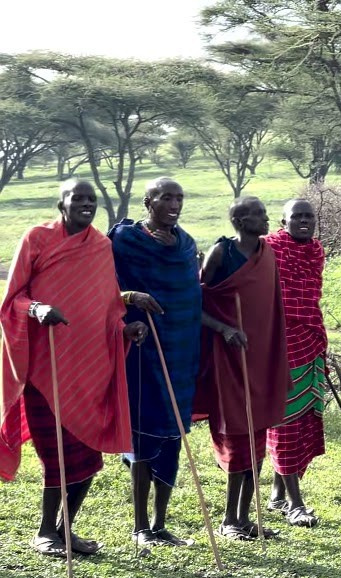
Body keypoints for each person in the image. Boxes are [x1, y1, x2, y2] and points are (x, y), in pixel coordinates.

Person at [0, 180, 153, 556]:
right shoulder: (36, 238)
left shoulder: (101, 246)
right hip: (45, 367)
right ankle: (44, 532)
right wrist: (37, 309)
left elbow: (106, 306)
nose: (86, 204)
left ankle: (65, 530)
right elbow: (13, 298)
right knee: (57, 456)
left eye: (91, 199)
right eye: (78, 198)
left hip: (89, 370)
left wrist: (125, 329)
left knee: (87, 459)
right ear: (62, 204)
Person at [111, 177, 205, 547]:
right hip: (142, 348)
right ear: (148, 201)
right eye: (167, 197)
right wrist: (129, 299)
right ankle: (140, 527)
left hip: (181, 353)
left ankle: (160, 523)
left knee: (173, 437)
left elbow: (192, 297)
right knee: (143, 435)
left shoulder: (186, 245)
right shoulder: (125, 241)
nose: (175, 204)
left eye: (180, 197)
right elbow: (101, 287)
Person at [194, 196, 288, 541]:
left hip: (260, 356)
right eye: (258, 214)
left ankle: (246, 517)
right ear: (239, 220)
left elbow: (271, 305)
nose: (266, 219)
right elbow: (196, 302)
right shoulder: (221, 253)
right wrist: (224, 329)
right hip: (228, 356)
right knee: (237, 432)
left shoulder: (268, 254)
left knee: (257, 433)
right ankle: (229, 519)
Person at [263, 199, 325, 528]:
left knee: (302, 421)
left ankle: (278, 494)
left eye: (308, 216)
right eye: (296, 216)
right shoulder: (269, 248)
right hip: (279, 345)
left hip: (310, 341)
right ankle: (296, 504)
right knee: (285, 422)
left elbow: (310, 296)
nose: (304, 220)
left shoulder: (315, 252)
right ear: (283, 221)